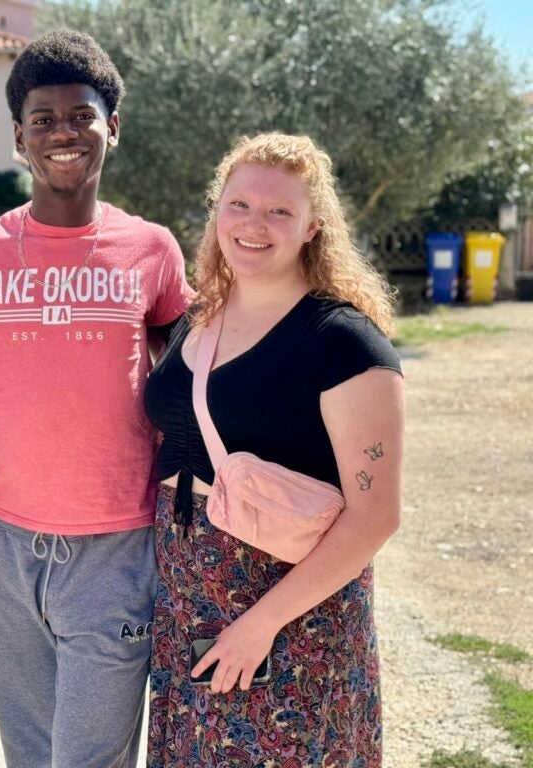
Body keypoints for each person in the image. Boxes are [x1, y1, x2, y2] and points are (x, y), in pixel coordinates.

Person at [0, 30, 194, 768]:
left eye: (81, 116)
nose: (64, 133)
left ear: (111, 126)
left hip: (114, 550)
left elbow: (196, 376)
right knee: (30, 756)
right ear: (19, 137)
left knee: (89, 760)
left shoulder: (151, 249)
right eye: (43, 119)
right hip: (7, 547)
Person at [144, 132, 405, 767]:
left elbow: (376, 516)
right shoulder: (198, 319)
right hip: (185, 596)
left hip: (291, 610)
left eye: (279, 211)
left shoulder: (342, 341)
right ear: (217, 210)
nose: (254, 225)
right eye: (239, 206)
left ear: (313, 226)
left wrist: (260, 625)